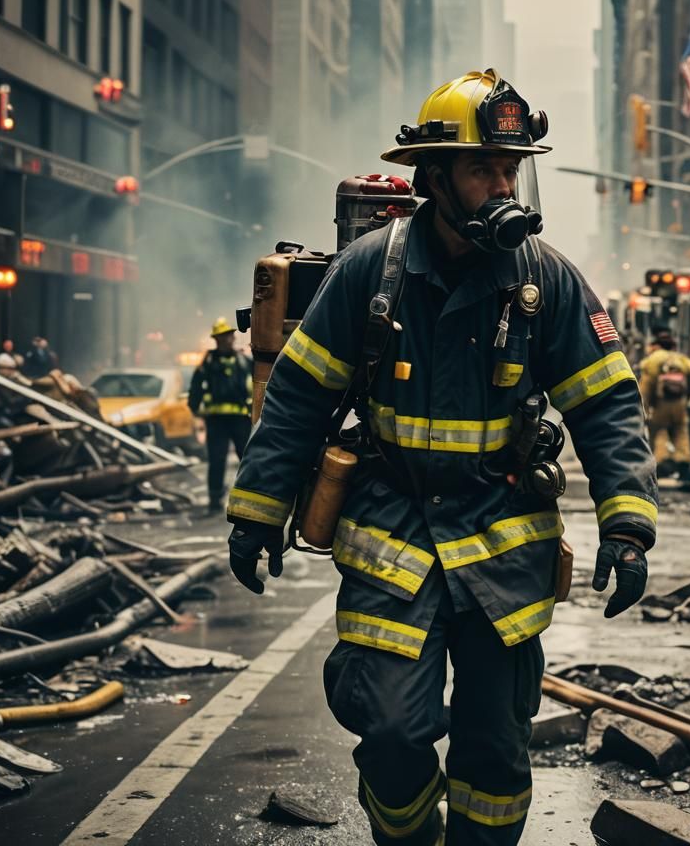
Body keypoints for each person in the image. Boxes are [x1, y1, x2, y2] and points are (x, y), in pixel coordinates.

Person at [225, 69, 657, 845]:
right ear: (434, 178)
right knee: (390, 732)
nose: (501, 186)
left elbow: (606, 402)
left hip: (503, 543)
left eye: (509, 169)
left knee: (495, 751)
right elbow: (296, 397)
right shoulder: (371, 272)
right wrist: (257, 514)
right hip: (393, 537)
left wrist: (629, 526)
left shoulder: (545, 278)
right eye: (481, 169)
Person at [188, 319, 253, 512]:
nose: (228, 339)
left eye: (230, 335)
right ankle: (215, 500)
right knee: (217, 460)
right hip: (216, 420)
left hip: (241, 419)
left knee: (247, 460)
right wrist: (195, 409)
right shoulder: (207, 363)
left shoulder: (244, 361)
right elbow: (195, 389)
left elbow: (259, 384)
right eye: (224, 336)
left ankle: (249, 498)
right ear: (217, 339)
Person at [638, 328, 690, 483]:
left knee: (659, 431)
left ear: (657, 345)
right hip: (679, 404)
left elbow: (646, 387)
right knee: (680, 431)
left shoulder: (652, 360)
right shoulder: (681, 359)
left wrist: (644, 409)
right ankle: (684, 463)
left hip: (660, 405)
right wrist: (689, 398)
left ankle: (662, 463)